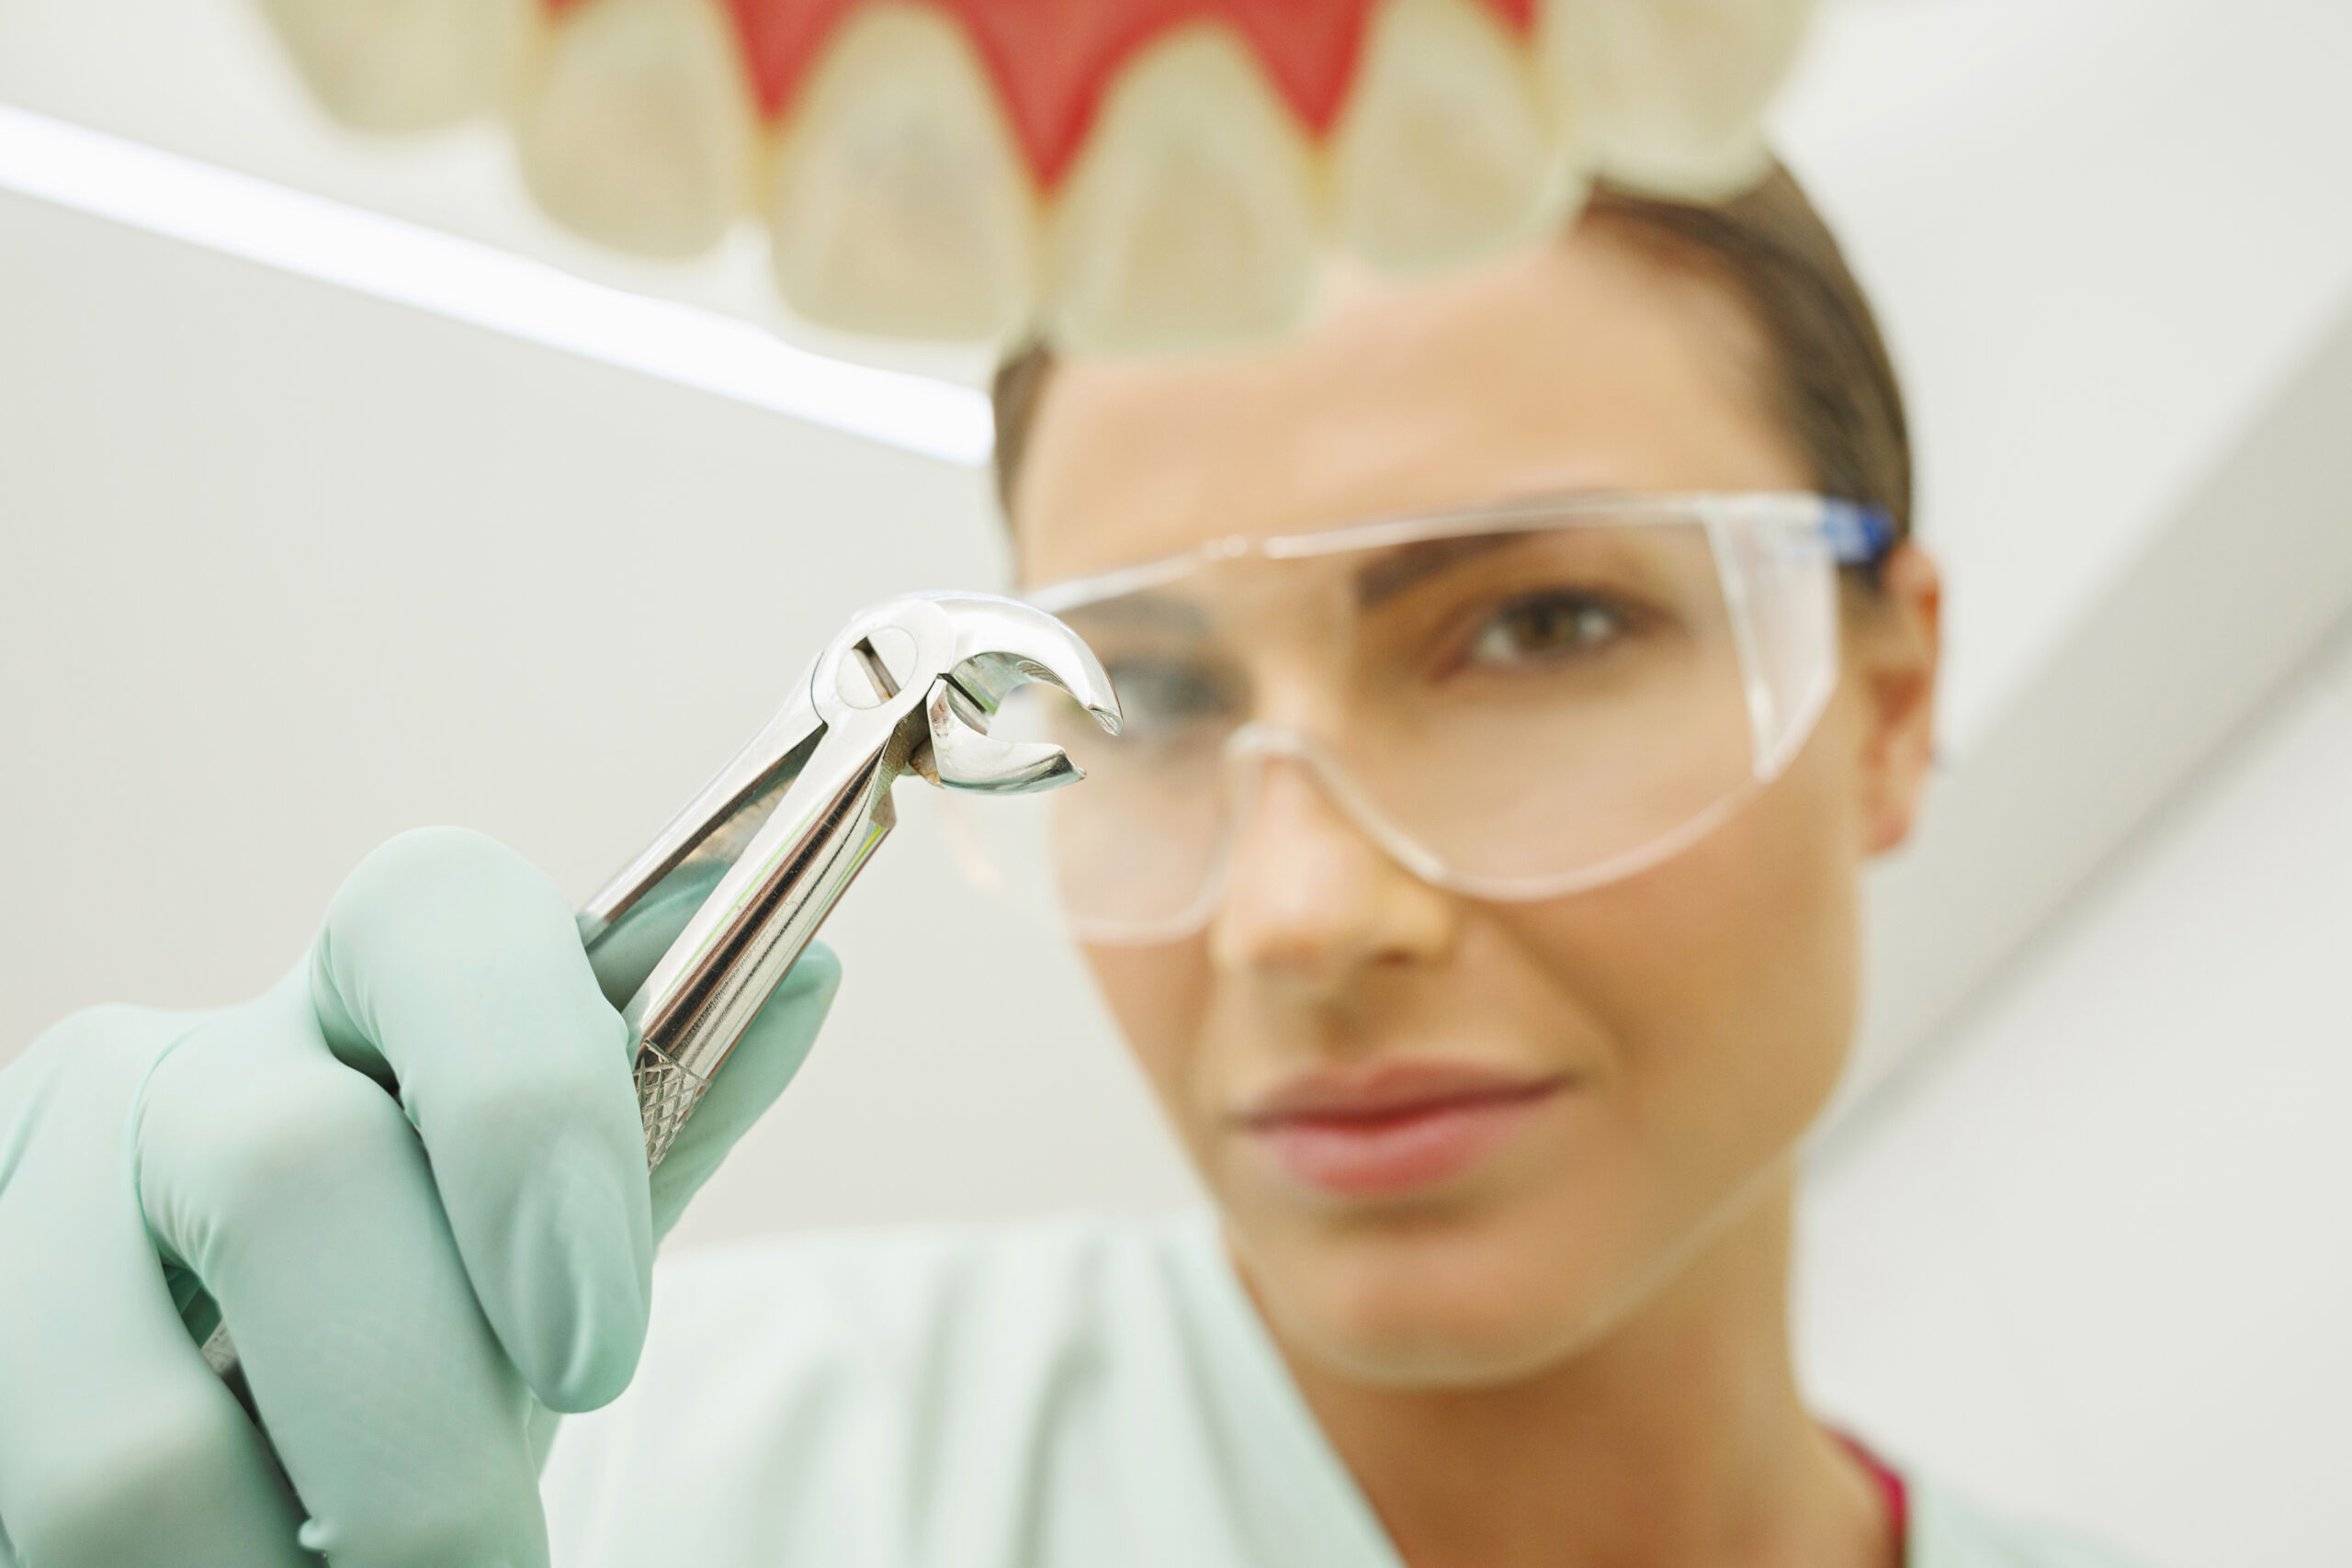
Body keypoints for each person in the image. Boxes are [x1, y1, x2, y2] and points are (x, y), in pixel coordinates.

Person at [0, 165, 2143, 1568]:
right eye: (1155, 692)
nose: (1298, 916)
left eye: (1538, 625)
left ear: (1885, 699)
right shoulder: (624, 1473)